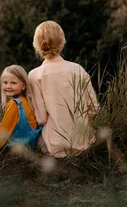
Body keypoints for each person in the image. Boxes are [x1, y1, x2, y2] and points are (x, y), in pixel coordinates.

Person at [28, 21, 99, 158]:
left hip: (52, 146)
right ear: (62, 42)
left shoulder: (34, 75)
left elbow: (41, 118)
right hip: (84, 142)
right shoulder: (78, 69)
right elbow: (94, 108)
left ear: (36, 46)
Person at [0, 65, 42, 153]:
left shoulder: (14, 104)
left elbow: (5, 129)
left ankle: (0, 147)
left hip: (20, 143)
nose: (8, 86)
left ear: (23, 86)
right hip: (30, 140)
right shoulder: (27, 100)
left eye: (13, 83)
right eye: (5, 82)